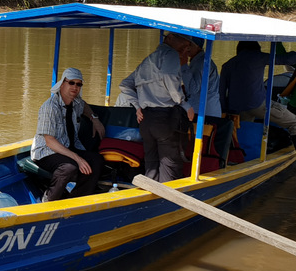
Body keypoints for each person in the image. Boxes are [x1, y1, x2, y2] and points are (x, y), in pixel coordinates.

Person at [215, 40, 296, 163]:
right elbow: (287, 60)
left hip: (237, 108)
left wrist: (225, 112)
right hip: (258, 104)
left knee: (243, 133)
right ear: (256, 48)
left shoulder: (227, 64)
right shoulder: (258, 56)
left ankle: (240, 159)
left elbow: (221, 92)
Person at [118, 32, 190, 182]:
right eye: (184, 42)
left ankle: (150, 193)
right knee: (169, 165)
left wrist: (137, 106)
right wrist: (183, 103)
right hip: (165, 118)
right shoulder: (171, 55)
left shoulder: (147, 60)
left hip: (146, 120)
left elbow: (125, 85)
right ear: (170, 38)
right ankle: (167, 195)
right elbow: (169, 76)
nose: (185, 48)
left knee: (151, 164)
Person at [31, 67, 107, 201]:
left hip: (68, 148)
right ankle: (49, 199)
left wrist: (94, 119)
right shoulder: (49, 107)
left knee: (97, 160)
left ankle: (77, 198)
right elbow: (49, 141)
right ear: (62, 84)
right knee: (69, 168)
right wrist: (78, 159)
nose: (75, 87)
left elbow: (84, 106)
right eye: (71, 83)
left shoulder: (76, 102)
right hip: (46, 152)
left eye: (79, 84)